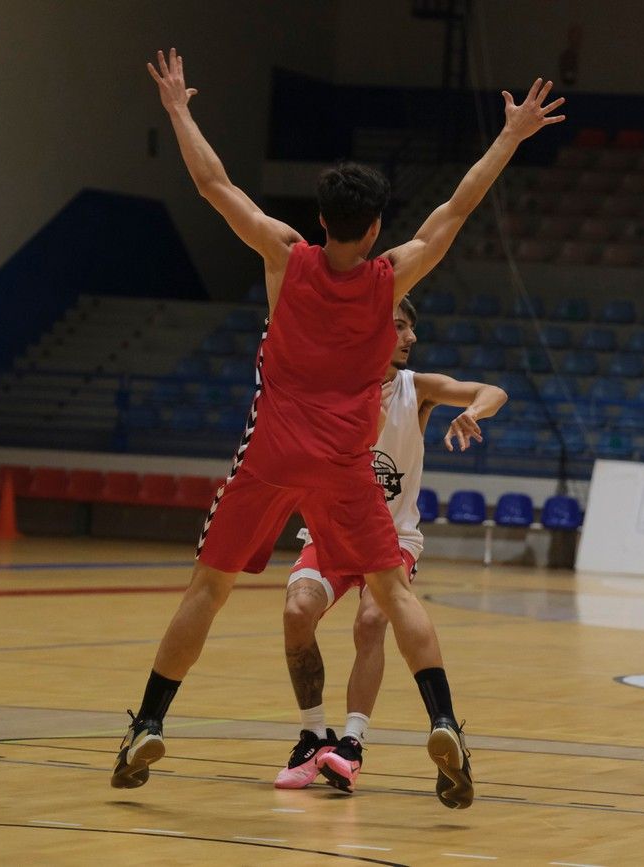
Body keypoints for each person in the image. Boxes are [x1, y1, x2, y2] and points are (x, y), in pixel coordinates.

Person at [114, 48, 563, 810]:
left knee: (209, 588)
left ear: (320, 219)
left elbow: (214, 183)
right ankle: (443, 719)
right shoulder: (392, 278)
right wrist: (511, 135)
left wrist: (180, 110)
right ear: (377, 225)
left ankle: (148, 722)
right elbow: (458, 206)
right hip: (345, 463)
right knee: (393, 592)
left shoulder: (285, 257)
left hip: (271, 454)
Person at [275, 297, 507, 794]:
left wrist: (472, 412)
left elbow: (493, 391)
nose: (411, 337)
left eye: (411, 328)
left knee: (370, 621)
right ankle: (314, 736)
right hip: (332, 532)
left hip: (392, 537)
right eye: (400, 327)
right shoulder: (332, 387)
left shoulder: (415, 389)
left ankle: (352, 743)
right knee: (296, 612)